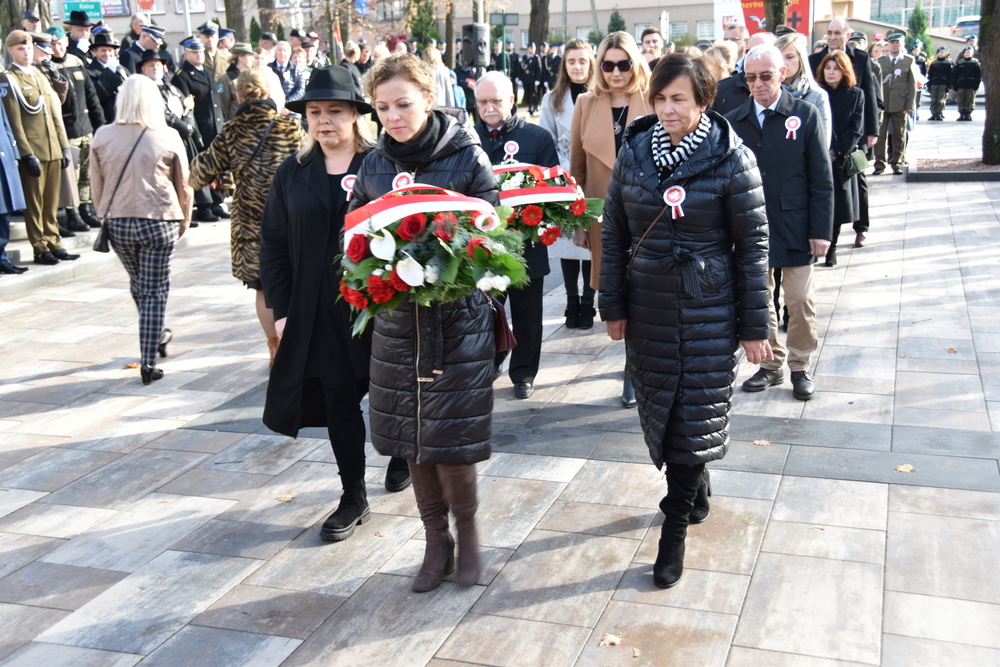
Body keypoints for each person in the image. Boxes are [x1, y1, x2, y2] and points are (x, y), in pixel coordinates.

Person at [600, 54, 770, 588]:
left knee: (695, 410)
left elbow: (752, 245)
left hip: (708, 307)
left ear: (703, 102)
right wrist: (613, 303)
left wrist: (755, 325)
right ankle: (695, 486)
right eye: (662, 99)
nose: (669, 109)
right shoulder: (633, 152)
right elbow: (614, 233)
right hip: (649, 307)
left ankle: (672, 531)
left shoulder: (731, 158)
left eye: (681, 100)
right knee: (665, 411)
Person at [351, 53, 498, 592]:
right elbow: (357, 242)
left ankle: (469, 534)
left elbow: (493, 229)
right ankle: (436, 543)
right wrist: (372, 271)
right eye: (382, 107)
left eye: (403, 105)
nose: (393, 116)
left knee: (449, 435)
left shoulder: (465, 157)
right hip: (397, 324)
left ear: (428, 98)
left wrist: (448, 257)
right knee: (411, 436)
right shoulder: (372, 165)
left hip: (456, 323)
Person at [260, 68, 375, 544]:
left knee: (389, 395)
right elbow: (273, 245)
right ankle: (353, 494)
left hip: (377, 306)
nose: (323, 121)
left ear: (354, 115)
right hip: (317, 312)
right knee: (339, 401)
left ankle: (405, 461)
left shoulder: (379, 165)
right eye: (314, 112)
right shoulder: (292, 172)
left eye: (334, 111)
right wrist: (282, 310)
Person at [726, 45, 833, 401]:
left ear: (783, 74)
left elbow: (821, 177)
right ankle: (770, 365)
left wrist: (821, 231)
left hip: (795, 225)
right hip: (751, 225)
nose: (758, 84)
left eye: (766, 76)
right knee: (760, 300)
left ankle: (800, 367)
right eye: (751, 77)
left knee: (800, 299)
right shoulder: (734, 119)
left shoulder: (804, 114)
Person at [192, 69, 303, 366]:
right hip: (293, 217)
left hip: (251, 223)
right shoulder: (289, 128)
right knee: (299, 282)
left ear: (239, 96)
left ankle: (275, 349)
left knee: (264, 287)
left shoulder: (231, 130)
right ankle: (300, 346)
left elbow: (199, 174)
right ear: (268, 94)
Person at [91, 75, 192, 384]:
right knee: (154, 290)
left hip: (119, 220)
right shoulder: (168, 135)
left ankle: (156, 333)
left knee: (140, 284)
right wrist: (184, 219)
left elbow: (97, 183)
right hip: (159, 219)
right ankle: (149, 359)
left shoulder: (103, 135)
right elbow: (183, 184)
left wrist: (102, 214)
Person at [570, 31, 652, 408]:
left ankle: (634, 369)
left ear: (634, 64)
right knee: (615, 289)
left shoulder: (652, 99)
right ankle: (632, 364)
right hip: (603, 216)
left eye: (624, 64)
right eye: (608, 64)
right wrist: (579, 224)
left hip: (649, 213)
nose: (616, 72)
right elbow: (578, 170)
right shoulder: (586, 104)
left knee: (647, 289)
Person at [473, 71, 557, 399]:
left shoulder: (537, 138)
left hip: (526, 244)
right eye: (483, 101)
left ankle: (523, 373)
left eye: (496, 100)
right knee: (485, 312)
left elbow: (551, 191)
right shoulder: (465, 138)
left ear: (512, 100)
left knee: (527, 316)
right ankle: (490, 361)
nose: (490, 107)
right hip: (482, 246)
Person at [2, 30, 76, 266]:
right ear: (11, 50)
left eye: (29, 48)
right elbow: (14, 121)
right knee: (35, 203)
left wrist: (63, 147)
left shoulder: (40, 75)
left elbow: (54, 114)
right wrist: (26, 153)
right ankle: (39, 247)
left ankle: (54, 242)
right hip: (33, 150)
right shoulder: (8, 78)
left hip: (52, 147)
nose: (27, 52)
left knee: (52, 200)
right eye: (21, 48)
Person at [539, 38, 597, 329]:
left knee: (589, 242)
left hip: (594, 173)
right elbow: (544, 138)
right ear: (564, 65)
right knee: (566, 243)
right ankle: (571, 300)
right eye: (571, 61)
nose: (577, 67)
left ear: (591, 63)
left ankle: (588, 301)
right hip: (562, 178)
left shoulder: (599, 95)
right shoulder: (552, 99)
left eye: (582, 61)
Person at [45, 27, 106, 232]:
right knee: (71, 175)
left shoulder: (76, 62)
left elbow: (92, 96)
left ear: (66, 42)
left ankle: (86, 209)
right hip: (66, 130)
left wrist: (101, 126)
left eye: (60, 43)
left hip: (85, 126)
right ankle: (72, 214)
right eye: (52, 45)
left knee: (87, 173)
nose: (57, 48)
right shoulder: (44, 68)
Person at [817, 51, 864, 267]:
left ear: (844, 71)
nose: (831, 72)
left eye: (835, 68)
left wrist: (835, 152)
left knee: (837, 206)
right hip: (817, 154)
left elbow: (856, 130)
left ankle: (832, 247)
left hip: (839, 158)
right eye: (827, 68)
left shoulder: (856, 95)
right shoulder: (817, 93)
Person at [173, 38, 228, 222]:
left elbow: (217, 102)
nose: (199, 55)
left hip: (216, 127)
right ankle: (204, 206)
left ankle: (217, 202)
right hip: (201, 129)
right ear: (186, 54)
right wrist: (195, 134)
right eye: (194, 52)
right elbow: (187, 109)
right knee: (202, 168)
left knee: (218, 167)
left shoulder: (206, 72)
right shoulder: (182, 76)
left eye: (201, 52)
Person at [776, 32, 831, 146]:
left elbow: (823, 143)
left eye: (790, 57)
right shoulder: (765, 95)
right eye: (778, 57)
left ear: (801, 59)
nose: (783, 63)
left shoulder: (817, 96)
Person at [873, 33, 916, 175]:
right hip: (882, 104)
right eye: (892, 42)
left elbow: (912, 84)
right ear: (888, 45)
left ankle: (898, 163)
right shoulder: (880, 61)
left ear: (902, 44)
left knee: (899, 135)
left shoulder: (908, 61)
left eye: (898, 42)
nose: (895, 45)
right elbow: (874, 84)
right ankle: (879, 164)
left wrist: (910, 104)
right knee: (880, 135)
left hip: (900, 103)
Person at [0, 100, 28, 275]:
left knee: (4, 213)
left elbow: (4, 122)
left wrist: (14, 154)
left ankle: (2, 259)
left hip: (3, 156)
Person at [87, 31, 129, 123]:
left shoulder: (121, 69)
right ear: (95, 51)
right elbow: (96, 95)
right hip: (107, 118)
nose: (107, 54)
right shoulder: (89, 72)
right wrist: (110, 72)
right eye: (103, 50)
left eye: (110, 50)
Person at [218, 43, 256, 120]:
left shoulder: (254, 76)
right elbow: (223, 107)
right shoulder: (227, 79)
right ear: (241, 57)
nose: (253, 59)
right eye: (250, 56)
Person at [953, 46, 981, 121]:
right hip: (961, 84)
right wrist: (955, 84)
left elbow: (978, 75)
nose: (967, 54)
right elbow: (955, 75)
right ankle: (961, 114)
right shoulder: (960, 63)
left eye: (969, 52)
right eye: (965, 52)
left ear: (972, 53)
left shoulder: (975, 63)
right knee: (960, 100)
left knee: (970, 100)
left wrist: (976, 84)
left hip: (971, 85)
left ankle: (968, 114)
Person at [927, 46, 953, 121]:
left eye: (942, 52)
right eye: (939, 52)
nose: (940, 54)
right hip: (934, 83)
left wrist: (949, 85)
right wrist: (928, 85)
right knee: (933, 99)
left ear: (945, 53)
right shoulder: (934, 63)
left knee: (940, 100)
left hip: (943, 84)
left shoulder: (948, 63)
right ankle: (933, 114)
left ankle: (938, 113)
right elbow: (930, 74)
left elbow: (950, 75)